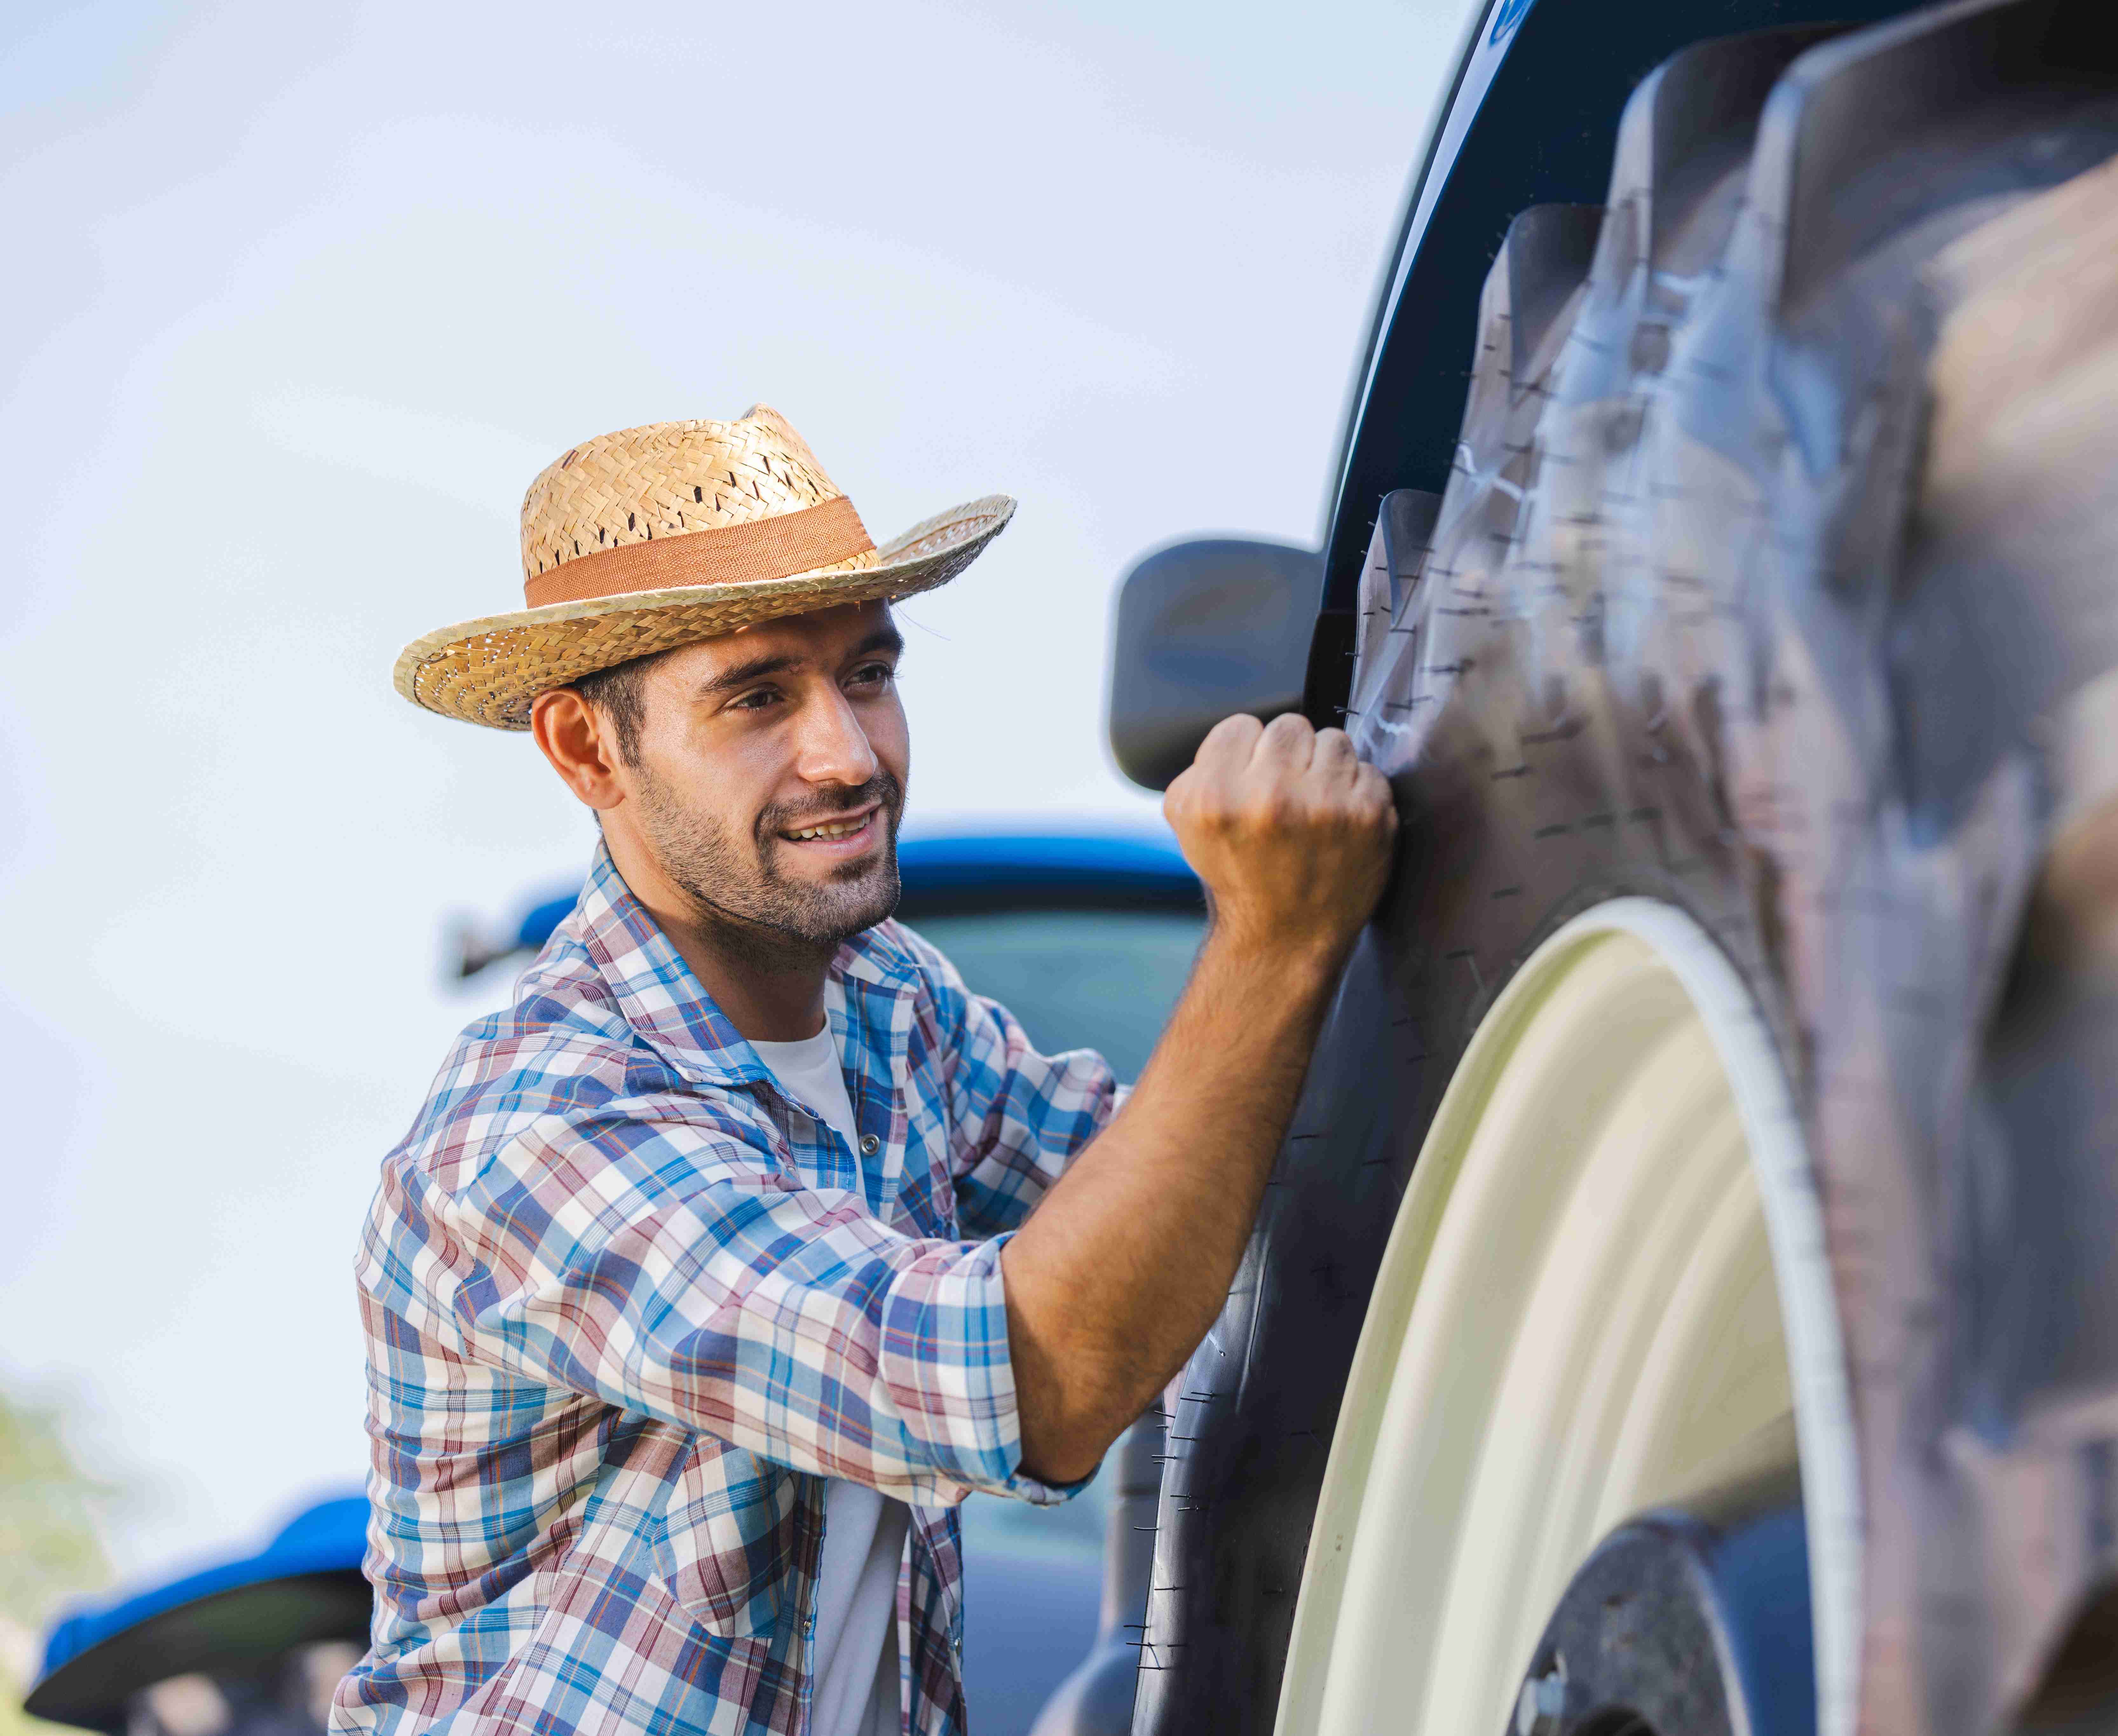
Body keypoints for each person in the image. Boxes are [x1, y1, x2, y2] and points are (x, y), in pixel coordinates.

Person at [337, 405, 1394, 1736]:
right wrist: (1269, 941)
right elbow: (1031, 1379)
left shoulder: (891, 1005)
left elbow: (1197, 1195)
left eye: (869, 675)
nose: (847, 753)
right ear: (586, 750)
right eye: (758, 697)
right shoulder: (539, 1129)